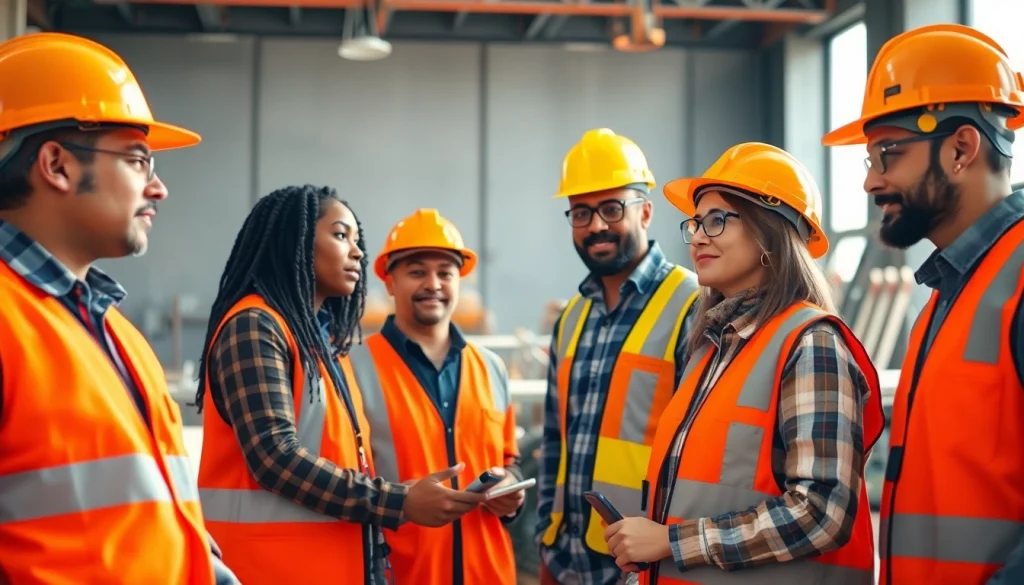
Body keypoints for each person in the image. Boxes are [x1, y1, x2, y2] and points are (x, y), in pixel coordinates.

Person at [0, 32, 239, 584]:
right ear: (56, 165)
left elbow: (157, 524)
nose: (158, 189)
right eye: (137, 160)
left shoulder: (118, 336)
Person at [603, 142, 884, 584]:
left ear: (769, 232)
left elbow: (821, 511)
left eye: (716, 221)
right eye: (695, 222)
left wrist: (671, 543)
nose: (697, 236)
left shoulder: (811, 344)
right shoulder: (714, 349)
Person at [194, 187, 488, 585]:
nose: (358, 252)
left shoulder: (319, 344)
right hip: (267, 569)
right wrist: (399, 501)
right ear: (295, 242)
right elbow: (274, 458)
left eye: (357, 240)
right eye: (340, 235)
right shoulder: (254, 326)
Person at [822, 23, 1024, 585]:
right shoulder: (949, 292)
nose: (871, 181)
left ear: (961, 148)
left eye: (888, 153)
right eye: (869, 159)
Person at [537, 128, 702, 585]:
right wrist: (547, 547)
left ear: (646, 211)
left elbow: (704, 454)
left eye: (612, 208)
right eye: (581, 213)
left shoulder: (694, 305)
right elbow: (556, 442)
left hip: (643, 566)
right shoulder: (571, 317)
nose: (596, 226)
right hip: (569, 561)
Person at [342, 208, 525, 585]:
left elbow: (509, 458)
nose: (433, 284)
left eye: (445, 272)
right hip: (400, 573)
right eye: (416, 272)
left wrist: (511, 489)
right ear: (389, 282)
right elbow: (342, 481)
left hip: (488, 573)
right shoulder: (351, 369)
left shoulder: (491, 367)